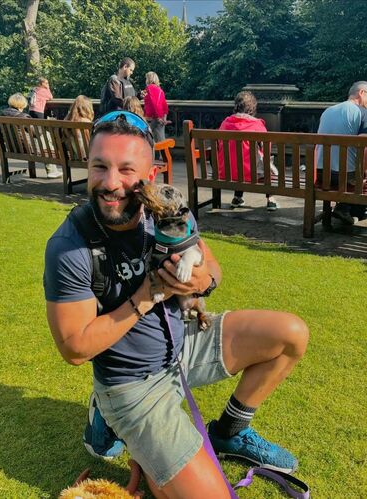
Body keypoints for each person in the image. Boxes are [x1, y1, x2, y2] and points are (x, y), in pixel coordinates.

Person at [44, 111, 309, 499]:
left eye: (126, 169)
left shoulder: (166, 211)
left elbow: (212, 268)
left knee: (291, 334)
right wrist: (149, 293)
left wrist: (201, 280)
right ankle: (111, 415)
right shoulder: (70, 245)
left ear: (150, 177)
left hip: (182, 343)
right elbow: (74, 348)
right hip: (131, 382)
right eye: (100, 166)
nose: (110, 182)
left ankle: (229, 432)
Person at [217, 91, 279, 211]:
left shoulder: (225, 122)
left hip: (227, 172)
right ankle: (270, 198)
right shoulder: (256, 124)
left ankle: (237, 197)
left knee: (237, 158)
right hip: (251, 173)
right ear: (252, 107)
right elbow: (266, 148)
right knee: (265, 162)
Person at [316, 81, 367, 225]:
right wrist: (363, 174)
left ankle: (346, 209)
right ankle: (345, 208)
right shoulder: (363, 113)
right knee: (361, 175)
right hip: (345, 178)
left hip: (320, 174)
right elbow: (365, 148)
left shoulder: (328, 111)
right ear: (361, 93)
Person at [2, 92, 62, 179]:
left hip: (11, 147)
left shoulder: (3, 115)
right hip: (26, 148)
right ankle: (52, 169)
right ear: (21, 105)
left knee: (45, 137)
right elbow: (36, 133)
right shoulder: (23, 117)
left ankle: (53, 166)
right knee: (45, 135)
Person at [144, 71, 169, 143]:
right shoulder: (160, 90)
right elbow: (165, 105)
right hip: (161, 117)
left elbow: (154, 103)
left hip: (154, 118)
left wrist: (157, 118)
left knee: (153, 141)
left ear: (149, 79)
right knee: (161, 139)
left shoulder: (149, 88)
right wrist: (164, 118)